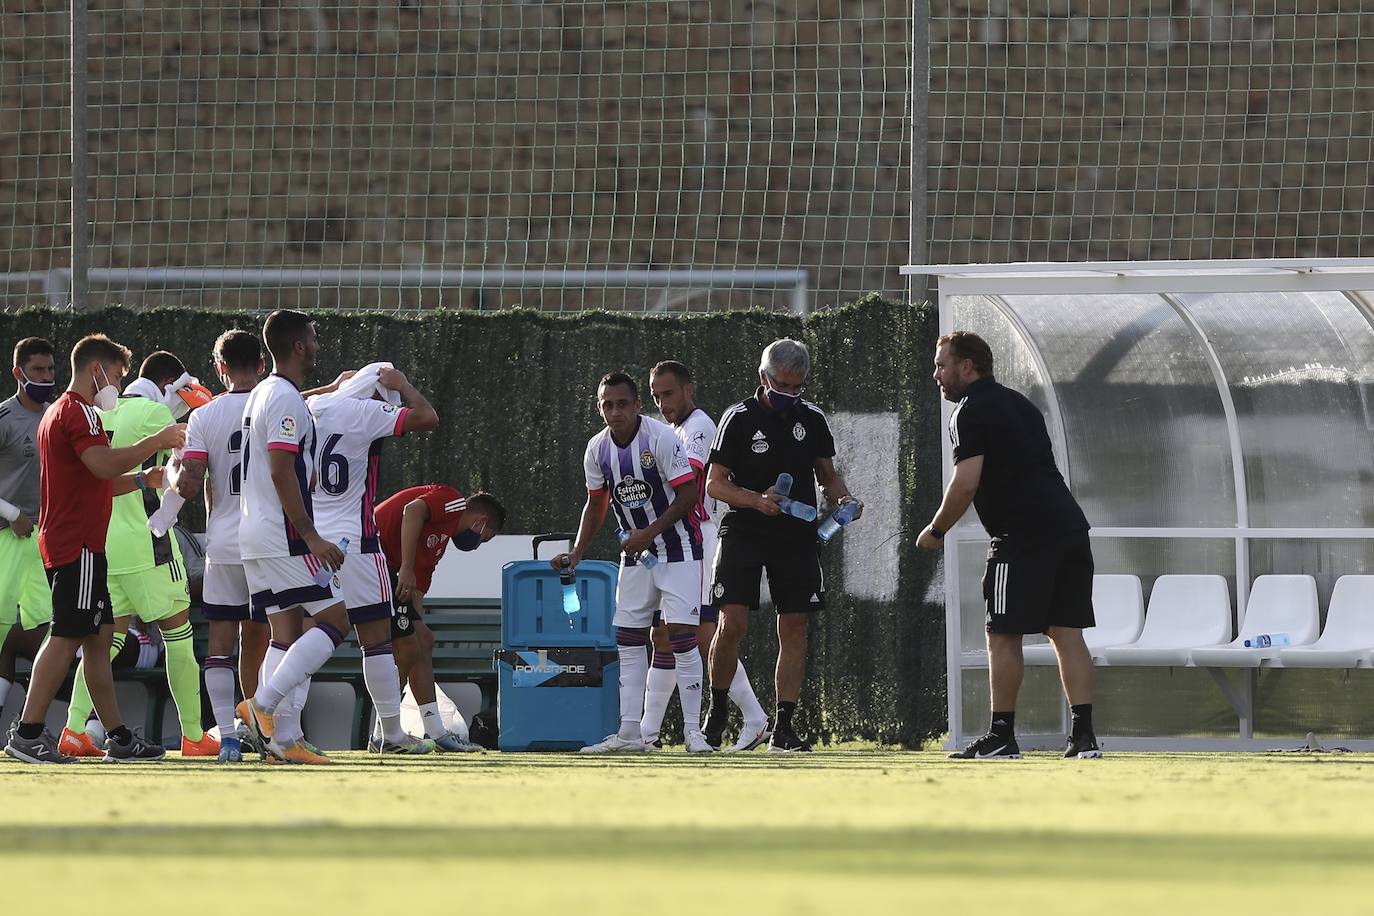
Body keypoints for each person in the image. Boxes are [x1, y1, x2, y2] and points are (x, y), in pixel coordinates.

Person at [917, 330, 1101, 760]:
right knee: (1066, 633)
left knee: (1002, 634)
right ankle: (1084, 738)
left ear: (967, 366)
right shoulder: (1021, 404)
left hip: (1021, 536)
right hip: (1070, 528)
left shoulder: (967, 411)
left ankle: (1001, 736)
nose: (936, 375)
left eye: (942, 365)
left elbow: (965, 484)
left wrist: (936, 530)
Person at [3, 333, 183, 764]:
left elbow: (95, 479)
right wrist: (156, 442)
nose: (117, 387)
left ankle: (118, 736)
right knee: (66, 634)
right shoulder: (77, 412)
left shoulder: (59, 413)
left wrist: (145, 479)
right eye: (117, 376)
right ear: (96, 370)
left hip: (77, 541)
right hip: (76, 543)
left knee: (99, 638)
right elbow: (102, 465)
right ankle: (28, 732)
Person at [701, 338, 862, 753]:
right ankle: (717, 712)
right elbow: (715, 483)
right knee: (731, 623)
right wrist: (757, 500)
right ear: (763, 377)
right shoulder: (737, 418)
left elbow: (826, 474)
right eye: (781, 386)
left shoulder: (811, 419)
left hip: (796, 534)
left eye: (797, 387)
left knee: (795, 625)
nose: (789, 395)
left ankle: (783, 727)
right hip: (743, 529)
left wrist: (843, 499)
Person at [59, 350, 217, 759]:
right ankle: (195, 735)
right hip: (147, 542)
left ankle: (74, 729)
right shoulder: (153, 413)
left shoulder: (93, 412)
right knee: (178, 636)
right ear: (169, 385)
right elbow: (216, 425)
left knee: (103, 644)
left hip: (103, 542)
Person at [552, 371, 710, 754]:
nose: (615, 411)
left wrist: (649, 532)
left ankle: (693, 734)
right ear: (599, 407)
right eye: (607, 404)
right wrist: (577, 552)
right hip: (637, 557)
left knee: (683, 638)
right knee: (628, 639)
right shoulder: (596, 449)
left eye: (623, 403)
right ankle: (629, 735)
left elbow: (689, 495)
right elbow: (596, 503)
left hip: (680, 550)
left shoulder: (662, 438)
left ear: (638, 405)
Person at [305, 362, 442, 755]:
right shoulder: (365, 411)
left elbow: (283, 401)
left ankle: (279, 730)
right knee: (377, 641)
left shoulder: (312, 408)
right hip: (357, 543)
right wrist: (403, 384)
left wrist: (330, 386)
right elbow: (427, 417)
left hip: (311, 539)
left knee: (294, 633)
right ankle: (393, 736)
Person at [238, 309, 354, 765]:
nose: (319, 344)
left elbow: (293, 410)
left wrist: (332, 389)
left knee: (284, 633)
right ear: (300, 345)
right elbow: (281, 468)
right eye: (314, 337)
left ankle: (282, 742)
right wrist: (310, 535)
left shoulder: (267, 391)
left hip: (254, 535)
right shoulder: (283, 398)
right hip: (283, 535)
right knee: (335, 620)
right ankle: (261, 707)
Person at [639, 360, 771, 752]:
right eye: (656, 396)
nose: (663, 403)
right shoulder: (673, 429)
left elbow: (689, 483)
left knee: (700, 634)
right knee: (663, 634)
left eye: (669, 394)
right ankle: (646, 732)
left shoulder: (699, 426)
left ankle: (755, 717)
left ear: (688, 390)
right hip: (672, 541)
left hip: (699, 540)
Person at [174, 330, 273, 763]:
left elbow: (190, 486)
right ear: (263, 364)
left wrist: (175, 474)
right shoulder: (281, 405)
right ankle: (275, 732)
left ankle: (229, 739)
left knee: (220, 644)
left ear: (219, 368)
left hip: (224, 544)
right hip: (270, 544)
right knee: (272, 641)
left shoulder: (204, 417)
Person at [374, 484, 504, 752]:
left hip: (383, 569)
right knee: (409, 646)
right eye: (483, 538)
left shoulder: (439, 544)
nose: (477, 545)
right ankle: (384, 734)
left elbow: (416, 597)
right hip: (368, 555)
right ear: (480, 521)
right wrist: (407, 568)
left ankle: (436, 733)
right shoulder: (452, 500)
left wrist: (415, 628)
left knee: (422, 640)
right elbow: (412, 510)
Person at [0, 338, 58, 716]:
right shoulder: (4, 418)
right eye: (38, 370)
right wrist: (11, 513)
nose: (47, 377)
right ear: (18, 373)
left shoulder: (57, 415)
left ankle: (33, 726)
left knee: (53, 630)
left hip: (46, 540)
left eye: (51, 369)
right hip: (7, 537)